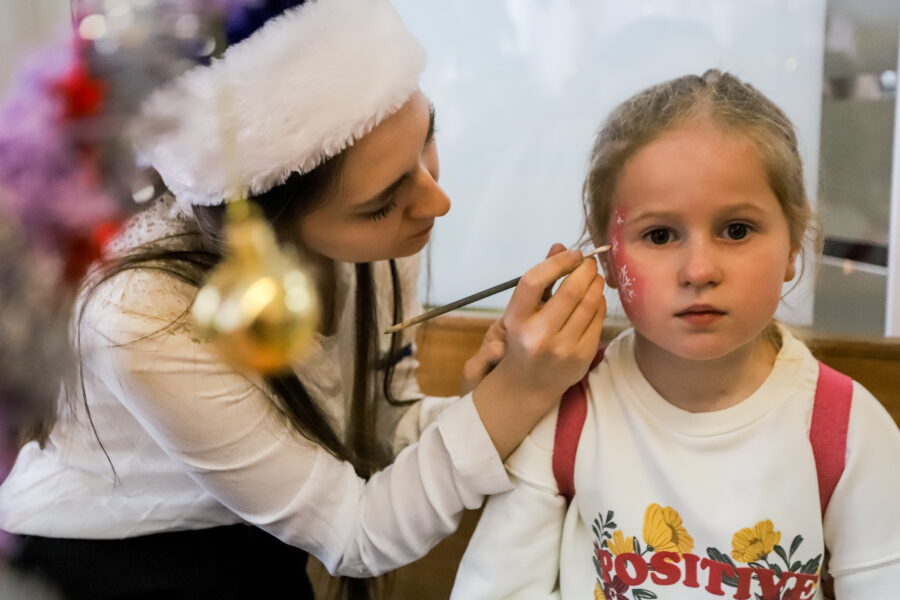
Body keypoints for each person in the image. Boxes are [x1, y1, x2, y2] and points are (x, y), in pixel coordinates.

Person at [0, 1, 607, 598]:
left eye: (428, 137)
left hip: (254, 528)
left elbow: (382, 428)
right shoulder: (142, 320)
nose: (436, 203)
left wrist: (486, 402)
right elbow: (358, 535)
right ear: (267, 230)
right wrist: (517, 393)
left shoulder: (380, 238)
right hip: (116, 560)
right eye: (381, 202)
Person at [450, 70, 900, 599]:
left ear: (794, 246)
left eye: (737, 230)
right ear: (607, 259)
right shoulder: (567, 410)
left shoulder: (850, 432)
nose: (699, 269)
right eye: (660, 235)